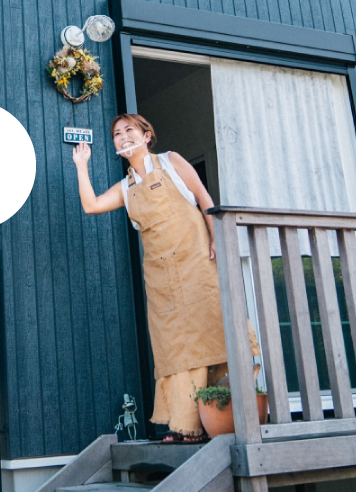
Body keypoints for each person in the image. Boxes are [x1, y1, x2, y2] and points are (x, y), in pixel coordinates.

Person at [72, 113, 258, 442]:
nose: (123, 136)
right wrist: (82, 164)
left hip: (197, 263)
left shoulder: (171, 162)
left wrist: (216, 239)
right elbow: (91, 205)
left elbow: (204, 198)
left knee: (210, 332)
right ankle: (184, 425)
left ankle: (221, 419)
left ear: (147, 136)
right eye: (117, 133)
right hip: (160, 279)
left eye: (130, 130)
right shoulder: (126, 188)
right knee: (174, 347)